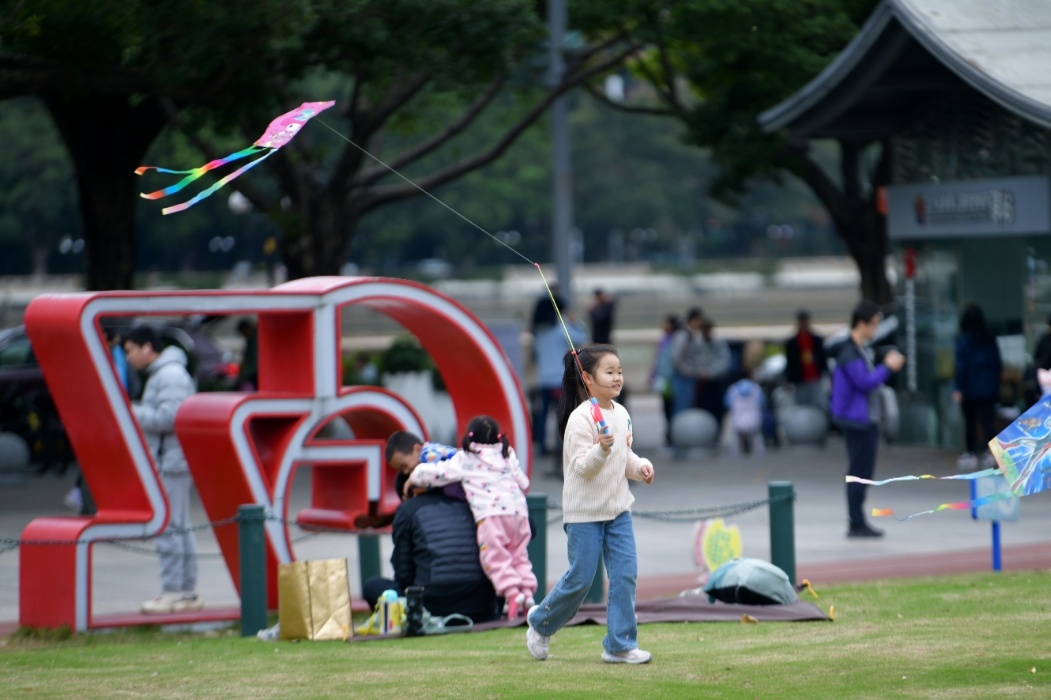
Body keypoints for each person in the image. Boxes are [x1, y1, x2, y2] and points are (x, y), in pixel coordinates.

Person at [525, 343, 655, 665]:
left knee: (625, 575)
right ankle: (541, 622)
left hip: (618, 510)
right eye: (609, 372)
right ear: (587, 378)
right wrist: (601, 450)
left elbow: (625, 458)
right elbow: (581, 468)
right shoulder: (580, 420)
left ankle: (619, 645)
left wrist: (640, 467)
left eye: (620, 371)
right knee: (581, 578)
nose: (617, 378)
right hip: (584, 513)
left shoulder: (621, 414)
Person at [406, 415, 537, 620]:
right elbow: (524, 482)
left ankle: (512, 594)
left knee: (495, 558)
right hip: (519, 514)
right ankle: (528, 593)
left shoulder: (466, 457)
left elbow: (437, 473)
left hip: (491, 516)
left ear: (470, 437)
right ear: (498, 437)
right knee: (518, 556)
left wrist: (413, 476)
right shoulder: (507, 453)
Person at [362, 432, 501, 623]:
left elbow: (404, 575)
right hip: (482, 604)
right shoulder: (472, 501)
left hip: (432, 604)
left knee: (372, 586)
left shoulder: (407, 511)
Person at [124, 324, 203, 613]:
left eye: (131, 350)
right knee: (178, 526)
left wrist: (131, 412)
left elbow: (171, 417)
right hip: (173, 460)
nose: (129, 357)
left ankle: (175, 592)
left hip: (173, 461)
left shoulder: (168, 375)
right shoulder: (167, 373)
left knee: (171, 527)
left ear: (147, 348)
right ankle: (184, 592)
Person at [830, 301, 905, 539]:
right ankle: (856, 522)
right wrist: (888, 367)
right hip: (857, 421)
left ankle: (858, 520)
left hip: (862, 419)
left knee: (862, 471)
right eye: (873, 324)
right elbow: (865, 383)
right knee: (858, 472)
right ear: (861, 324)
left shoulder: (857, 349)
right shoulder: (849, 352)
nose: (875, 329)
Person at [952, 302, 1003, 471]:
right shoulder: (990, 338)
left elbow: (961, 366)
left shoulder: (963, 340)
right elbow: (997, 364)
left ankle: (971, 453)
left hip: (970, 389)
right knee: (988, 421)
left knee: (970, 422)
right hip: (989, 388)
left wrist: (958, 387)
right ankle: (991, 454)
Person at [532, 311, 588, 457]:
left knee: (543, 414)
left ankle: (542, 446)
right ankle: (563, 445)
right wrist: (575, 322)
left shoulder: (539, 331)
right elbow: (581, 337)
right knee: (563, 413)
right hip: (559, 379)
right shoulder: (561, 328)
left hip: (544, 378)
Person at [784, 309, 829, 410]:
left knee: (817, 405)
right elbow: (789, 363)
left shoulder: (817, 340)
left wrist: (827, 375)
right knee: (801, 406)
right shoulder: (791, 343)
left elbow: (823, 359)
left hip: (815, 378)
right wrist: (788, 380)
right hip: (800, 380)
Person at [650, 314, 681, 446]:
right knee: (666, 407)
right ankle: (669, 434)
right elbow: (658, 359)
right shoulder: (665, 340)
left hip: (671, 379)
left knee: (672, 407)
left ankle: (672, 435)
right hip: (664, 379)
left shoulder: (675, 340)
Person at [724, 375, 767, 457]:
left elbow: (727, 404)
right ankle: (760, 450)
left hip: (738, 420)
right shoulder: (756, 389)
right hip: (754, 420)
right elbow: (762, 403)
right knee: (757, 436)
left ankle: (735, 451)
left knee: (736, 437)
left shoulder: (733, 390)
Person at [236, 318, 258, 391]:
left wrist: (244, 374)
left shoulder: (254, 338)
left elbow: (250, 358)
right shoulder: (251, 339)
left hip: (255, 371)